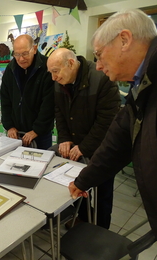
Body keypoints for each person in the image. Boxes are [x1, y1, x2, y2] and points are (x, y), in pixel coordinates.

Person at [69, 9, 157, 238]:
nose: (98, 65)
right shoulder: (140, 85)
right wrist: (84, 179)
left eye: (99, 54)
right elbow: (118, 141)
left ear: (124, 40)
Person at [47, 48, 121, 229]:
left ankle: (101, 231)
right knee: (77, 185)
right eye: (51, 73)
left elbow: (107, 121)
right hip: (74, 146)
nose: (53, 78)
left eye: (55, 71)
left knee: (102, 193)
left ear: (70, 63)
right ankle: (83, 218)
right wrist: (63, 138)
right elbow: (59, 113)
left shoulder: (101, 78)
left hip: (102, 149)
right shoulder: (60, 82)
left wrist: (84, 147)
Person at [0, 34, 54, 149]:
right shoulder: (11, 69)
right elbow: (5, 100)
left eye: (24, 54)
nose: (21, 59)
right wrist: (9, 126)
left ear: (34, 49)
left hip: (40, 135)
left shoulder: (47, 67)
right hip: (15, 134)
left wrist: (36, 130)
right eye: (17, 54)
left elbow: (49, 104)